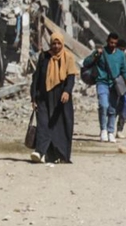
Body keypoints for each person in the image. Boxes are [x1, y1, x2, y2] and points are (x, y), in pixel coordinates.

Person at [29, 32, 78, 164]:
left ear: (62, 44)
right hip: (44, 97)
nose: (56, 46)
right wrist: (33, 97)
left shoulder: (68, 57)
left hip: (61, 98)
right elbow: (37, 77)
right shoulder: (44, 57)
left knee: (60, 125)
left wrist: (67, 91)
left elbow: (71, 77)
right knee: (43, 124)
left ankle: (59, 154)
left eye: (58, 43)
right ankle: (40, 152)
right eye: (53, 43)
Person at [82, 32, 126, 143]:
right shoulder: (100, 52)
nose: (113, 45)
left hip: (115, 85)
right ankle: (103, 130)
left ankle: (110, 132)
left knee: (112, 109)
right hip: (102, 83)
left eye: (115, 43)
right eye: (111, 42)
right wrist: (96, 55)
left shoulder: (121, 55)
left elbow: (125, 71)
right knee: (103, 105)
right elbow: (86, 62)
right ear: (107, 41)